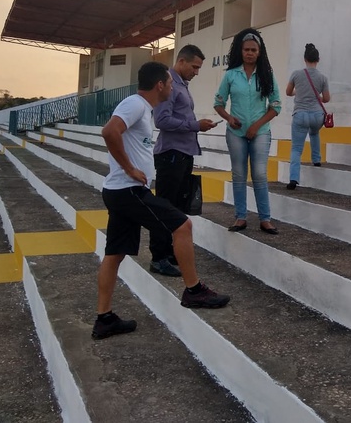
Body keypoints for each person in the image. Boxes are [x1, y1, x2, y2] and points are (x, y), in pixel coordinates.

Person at [93, 61, 230, 340]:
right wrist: (130, 168)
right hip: (129, 190)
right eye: (169, 83)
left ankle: (104, 318)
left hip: (121, 190)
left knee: (115, 254)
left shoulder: (141, 107)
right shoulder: (135, 104)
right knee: (182, 226)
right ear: (159, 85)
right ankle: (194, 290)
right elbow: (109, 132)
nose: (171, 86)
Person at [150, 44, 218, 277]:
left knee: (176, 208)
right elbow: (161, 120)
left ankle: (169, 252)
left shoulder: (182, 86)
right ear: (181, 61)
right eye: (194, 67)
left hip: (183, 153)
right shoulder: (167, 84)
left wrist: (197, 126)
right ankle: (158, 257)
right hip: (171, 154)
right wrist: (194, 125)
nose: (196, 72)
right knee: (165, 206)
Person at [214, 28, 282, 235]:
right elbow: (218, 103)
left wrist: (256, 125)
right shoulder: (231, 75)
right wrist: (229, 118)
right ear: (240, 51)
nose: (250, 53)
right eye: (246, 49)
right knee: (239, 174)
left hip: (260, 132)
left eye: (253, 49)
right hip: (235, 134)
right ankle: (240, 217)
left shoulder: (267, 75)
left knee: (260, 174)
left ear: (259, 52)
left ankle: (265, 219)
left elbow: (276, 106)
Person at [285, 43, 331, 190]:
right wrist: (317, 98)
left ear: (304, 59)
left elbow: (288, 92)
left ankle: (293, 179)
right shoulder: (323, 77)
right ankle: (316, 159)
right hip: (317, 115)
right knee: (314, 133)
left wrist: (297, 93)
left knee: (296, 148)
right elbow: (327, 98)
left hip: (300, 114)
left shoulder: (296, 74)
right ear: (318, 60)